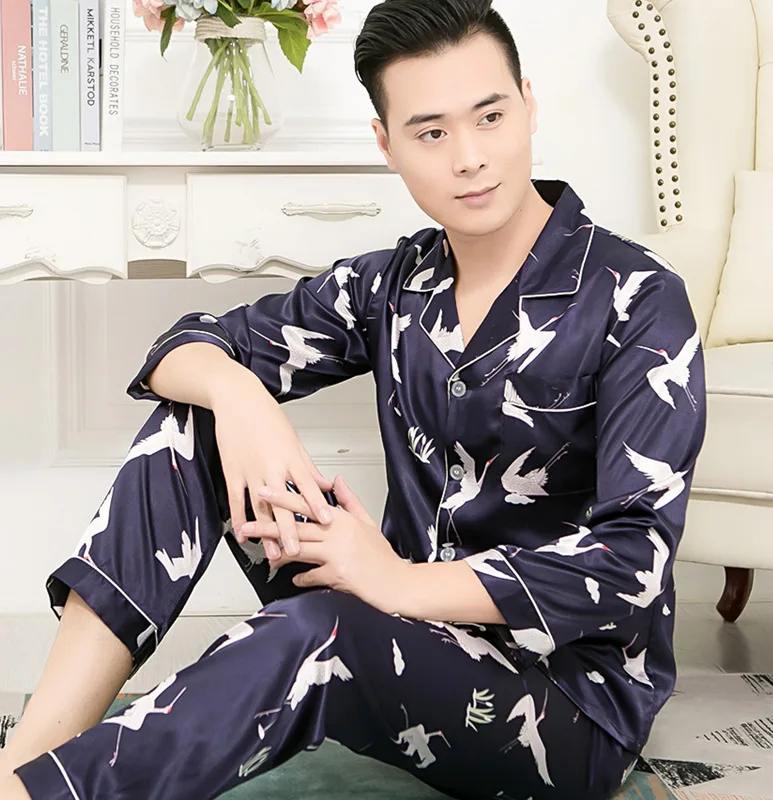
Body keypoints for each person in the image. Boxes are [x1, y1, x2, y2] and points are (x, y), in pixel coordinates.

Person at [0, 0, 706, 797]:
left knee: (319, 629)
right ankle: (32, 752)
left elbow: (633, 562)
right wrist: (242, 398)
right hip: (397, 622)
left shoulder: (638, 299)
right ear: (386, 144)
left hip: (561, 705)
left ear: (529, 104)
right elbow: (182, 348)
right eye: (431, 133)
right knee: (196, 418)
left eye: (490, 117)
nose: (470, 158)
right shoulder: (393, 284)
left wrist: (397, 583)